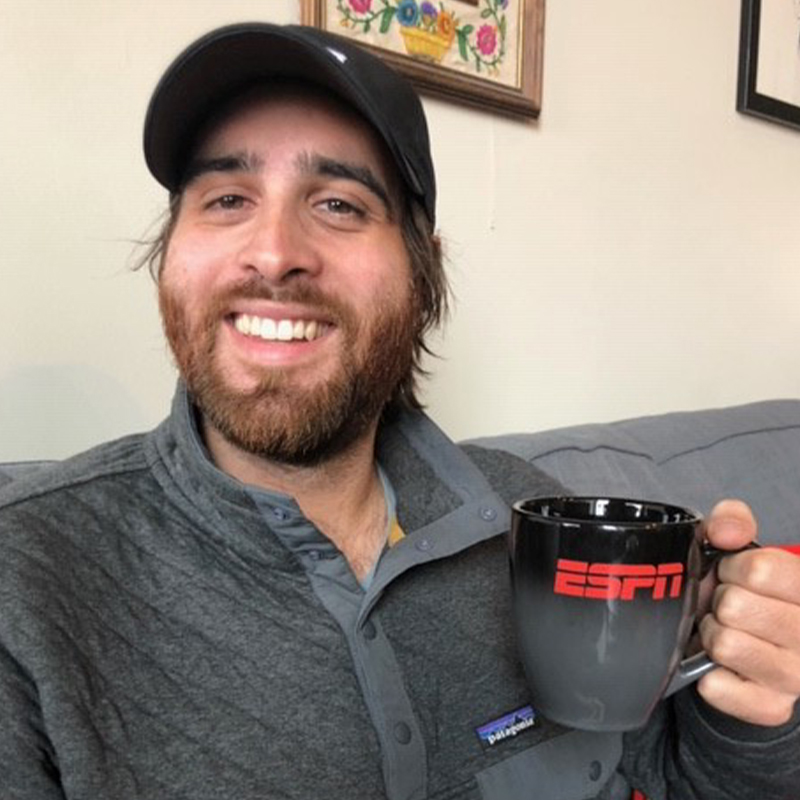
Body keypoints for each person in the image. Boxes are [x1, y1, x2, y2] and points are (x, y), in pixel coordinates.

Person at [0, 22, 798, 800]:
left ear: (423, 276)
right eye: (228, 197)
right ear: (170, 251)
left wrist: (752, 713)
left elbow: (682, 775)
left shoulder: (534, 521)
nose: (275, 252)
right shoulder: (26, 583)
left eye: (341, 204)